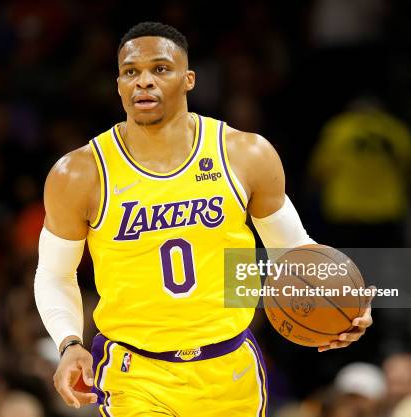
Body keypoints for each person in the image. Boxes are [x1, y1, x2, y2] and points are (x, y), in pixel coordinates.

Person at [34, 22, 374, 416]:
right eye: (131, 71)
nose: (143, 81)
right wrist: (69, 342)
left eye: (160, 69)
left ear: (189, 79)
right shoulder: (79, 173)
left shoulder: (245, 154)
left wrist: (342, 307)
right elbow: (55, 274)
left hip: (231, 368)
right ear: (118, 84)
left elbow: (293, 251)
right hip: (136, 373)